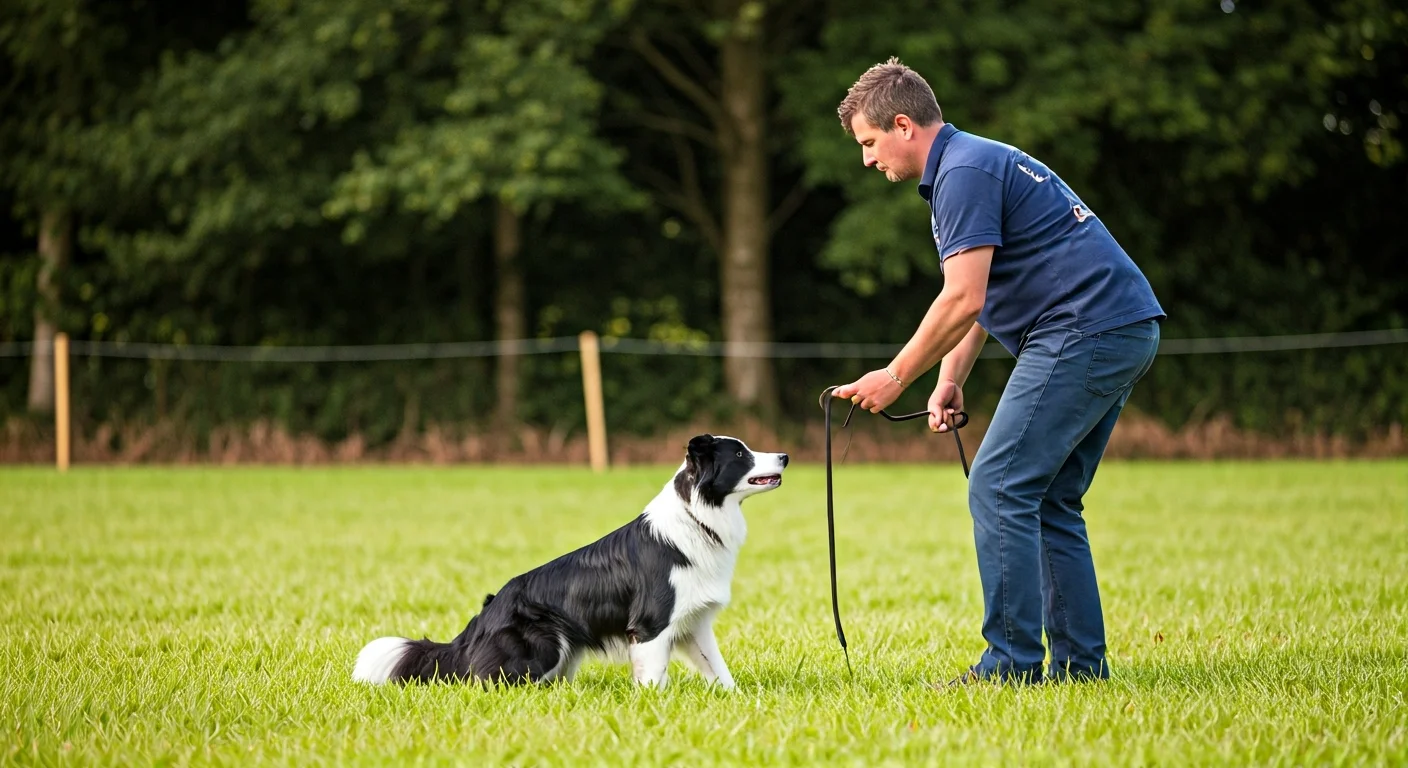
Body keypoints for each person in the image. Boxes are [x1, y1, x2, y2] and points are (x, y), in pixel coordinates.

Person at [830, 57, 1165, 686]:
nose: (868, 161)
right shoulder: (972, 163)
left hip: (1084, 328)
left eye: (870, 144)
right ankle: (1080, 668)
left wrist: (896, 375)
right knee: (1050, 497)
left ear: (904, 125)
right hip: (1121, 326)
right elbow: (983, 295)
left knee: (999, 485)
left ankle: (1009, 665)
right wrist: (950, 377)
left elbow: (963, 297)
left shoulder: (962, 172)